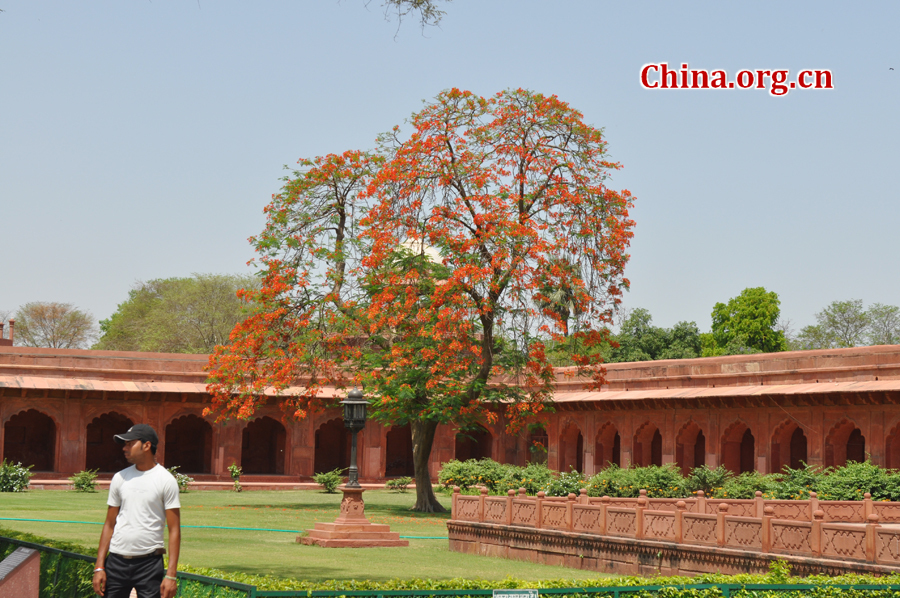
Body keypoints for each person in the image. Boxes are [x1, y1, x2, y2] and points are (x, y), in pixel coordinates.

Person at [92, 424, 181, 598]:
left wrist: (171, 575)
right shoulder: (120, 478)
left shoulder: (165, 480)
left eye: (129, 443)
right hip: (116, 561)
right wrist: (99, 566)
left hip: (149, 563)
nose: (124, 448)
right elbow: (109, 524)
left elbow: (174, 530)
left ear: (146, 445)